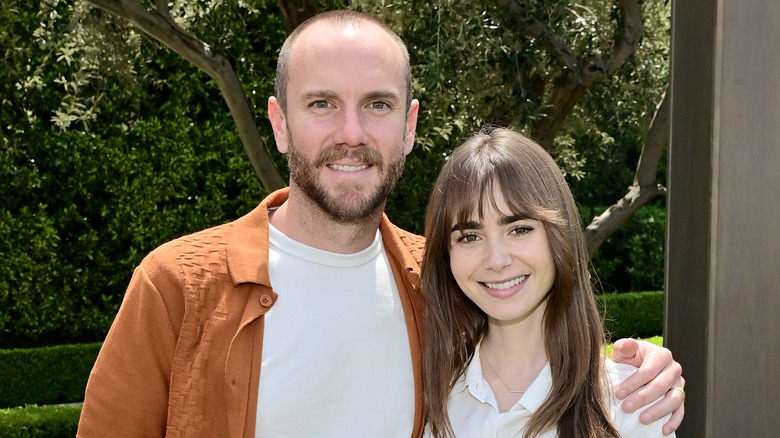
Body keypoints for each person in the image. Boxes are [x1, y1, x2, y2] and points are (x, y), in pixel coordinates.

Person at [77, 10, 684, 438]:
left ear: (410, 124)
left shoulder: (441, 281)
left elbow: (531, 352)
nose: (351, 133)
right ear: (280, 122)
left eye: (377, 104)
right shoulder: (175, 287)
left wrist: (633, 372)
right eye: (321, 104)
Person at [421, 127, 679, 438]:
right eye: (470, 236)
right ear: (445, 254)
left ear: (559, 235)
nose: (497, 259)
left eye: (519, 229)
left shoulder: (632, 402)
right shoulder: (425, 399)